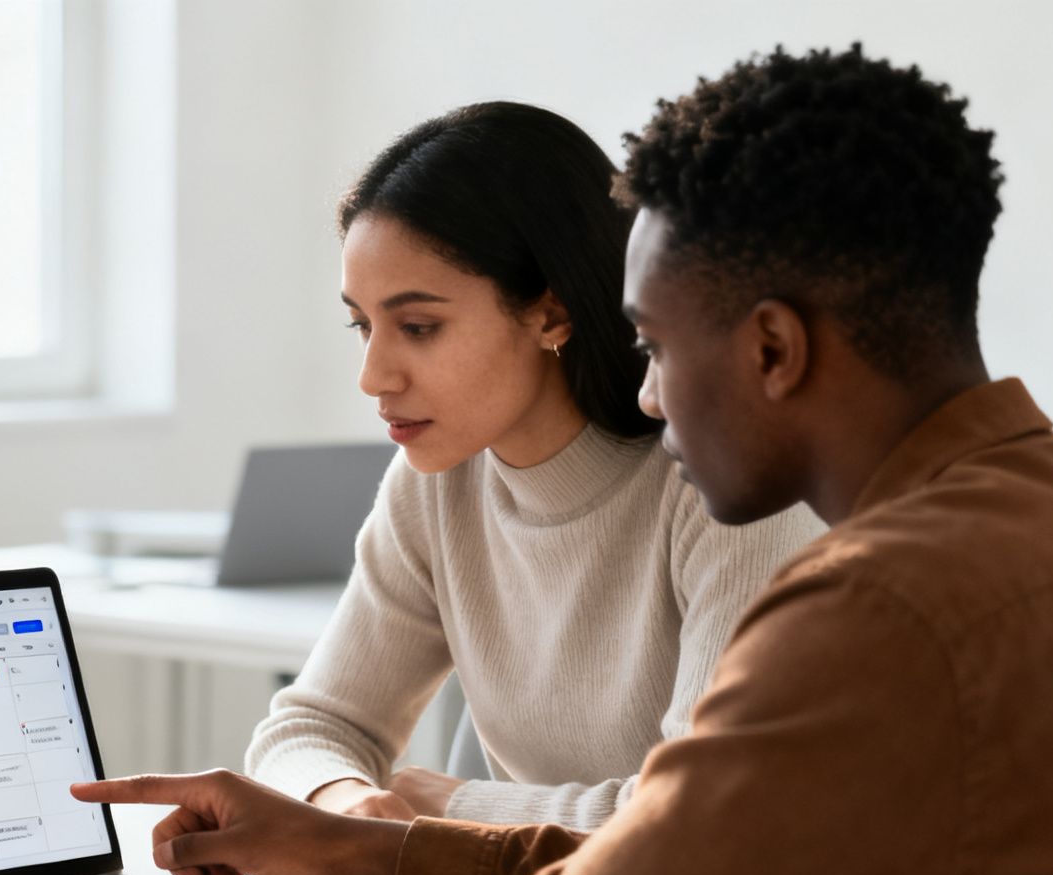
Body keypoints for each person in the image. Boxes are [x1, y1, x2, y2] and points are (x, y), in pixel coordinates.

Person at [81, 45, 1053, 875]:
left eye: (650, 344)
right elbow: (706, 870)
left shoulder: (878, 616)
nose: (640, 388)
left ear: (771, 348)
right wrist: (358, 845)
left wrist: (425, 814)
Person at [247, 103, 819, 830]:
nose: (373, 376)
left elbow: (704, 814)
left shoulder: (727, 489)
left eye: (418, 328)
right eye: (363, 326)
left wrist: (454, 807)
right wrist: (349, 803)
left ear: (552, 314)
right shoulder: (436, 486)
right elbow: (311, 729)